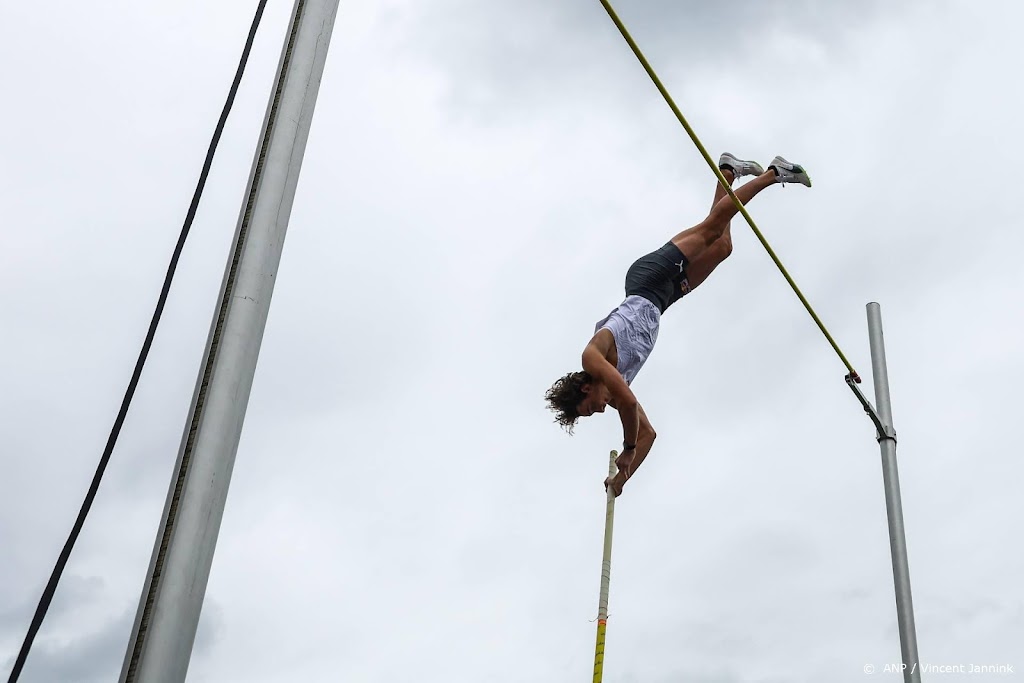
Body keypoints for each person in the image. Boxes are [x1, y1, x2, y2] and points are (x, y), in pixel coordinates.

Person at [544, 153, 812, 497]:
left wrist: (626, 451)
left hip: (647, 279)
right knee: (723, 247)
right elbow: (647, 436)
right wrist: (622, 479)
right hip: (664, 299)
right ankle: (728, 171)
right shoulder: (615, 392)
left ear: (585, 388)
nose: (598, 410)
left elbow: (628, 408)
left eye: (589, 408)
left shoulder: (592, 359)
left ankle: (776, 172)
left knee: (714, 228)